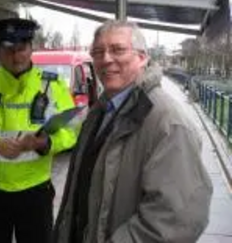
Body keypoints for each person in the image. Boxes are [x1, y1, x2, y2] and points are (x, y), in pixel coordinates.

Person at [53, 20, 213, 243]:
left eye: (117, 49)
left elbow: (176, 219)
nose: (106, 59)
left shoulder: (169, 123)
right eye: (98, 52)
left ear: (142, 57)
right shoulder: (100, 110)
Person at [0, 18, 77, 243]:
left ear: (32, 48)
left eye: (21, 48)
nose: (16, 56)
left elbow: (72, 131)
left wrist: (46, 143)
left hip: (35, 192)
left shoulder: (52, 85)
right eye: (8, 49)